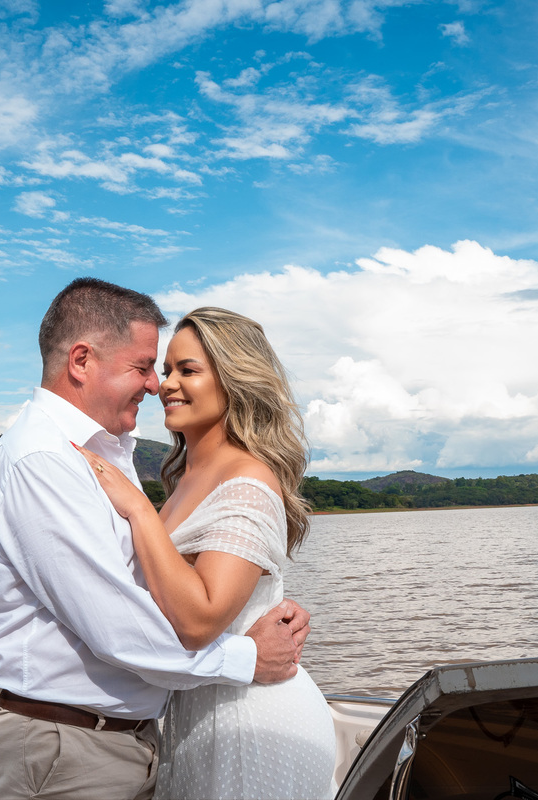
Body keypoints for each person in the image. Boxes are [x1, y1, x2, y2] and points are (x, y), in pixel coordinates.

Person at [0, 279, 313, 800]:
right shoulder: (46, 461)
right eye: (148, 366)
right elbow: (118, 623)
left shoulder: (110, 457)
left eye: (180, 369)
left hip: (200, 725)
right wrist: (247, 656)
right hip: (67, 746)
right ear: (81, 361)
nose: (158, 385)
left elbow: (173, 591)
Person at [75, 306, 337, 800]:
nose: (166, 384)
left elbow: (200, 620)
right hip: (199, 718)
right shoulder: (183, 482)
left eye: (188, 370)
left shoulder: (248, 480)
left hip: (249, 722)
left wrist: (136, 509)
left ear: (235, 381)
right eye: (166, 369)